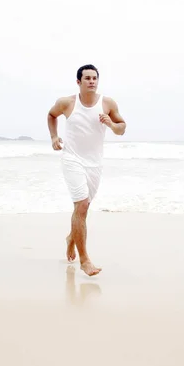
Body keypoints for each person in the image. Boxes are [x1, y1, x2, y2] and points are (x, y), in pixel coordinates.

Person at [47, 64, 126, 276]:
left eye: (94, 78)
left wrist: (110, 124)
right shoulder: (67, 103)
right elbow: (51, 115)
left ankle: (71, 238)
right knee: (81, 205)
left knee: (84, 208)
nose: (92, 81)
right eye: (87, 78)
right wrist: (54, 137)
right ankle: (85, 260)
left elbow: (122, 128)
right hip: (72, 159)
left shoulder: (107, 103)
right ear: (78, 82)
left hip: (94, 164)